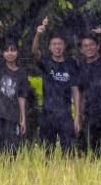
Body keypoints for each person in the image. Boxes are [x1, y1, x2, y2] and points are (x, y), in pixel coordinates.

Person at [31, 18, 80, 155]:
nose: (57, 47)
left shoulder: (71, 64)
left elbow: (76, 90)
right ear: (49, 47)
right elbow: (34, 51)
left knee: (69, 151)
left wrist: (77, 116)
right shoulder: (46, 62)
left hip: (65, 113)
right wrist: (38, 34)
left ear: (64, 46)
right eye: (54, 44)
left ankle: (68, 169)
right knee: (47, 152)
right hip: (48, 112)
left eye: (60, 44)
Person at [0, 25, 30, 156]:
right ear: (3, 53)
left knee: (11, 151)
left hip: (12, 116)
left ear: (17, 52)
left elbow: (21, 96)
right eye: (7, 51)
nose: (10, 53)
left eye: (13, 50)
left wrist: (23, 118)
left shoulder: (21, 73)